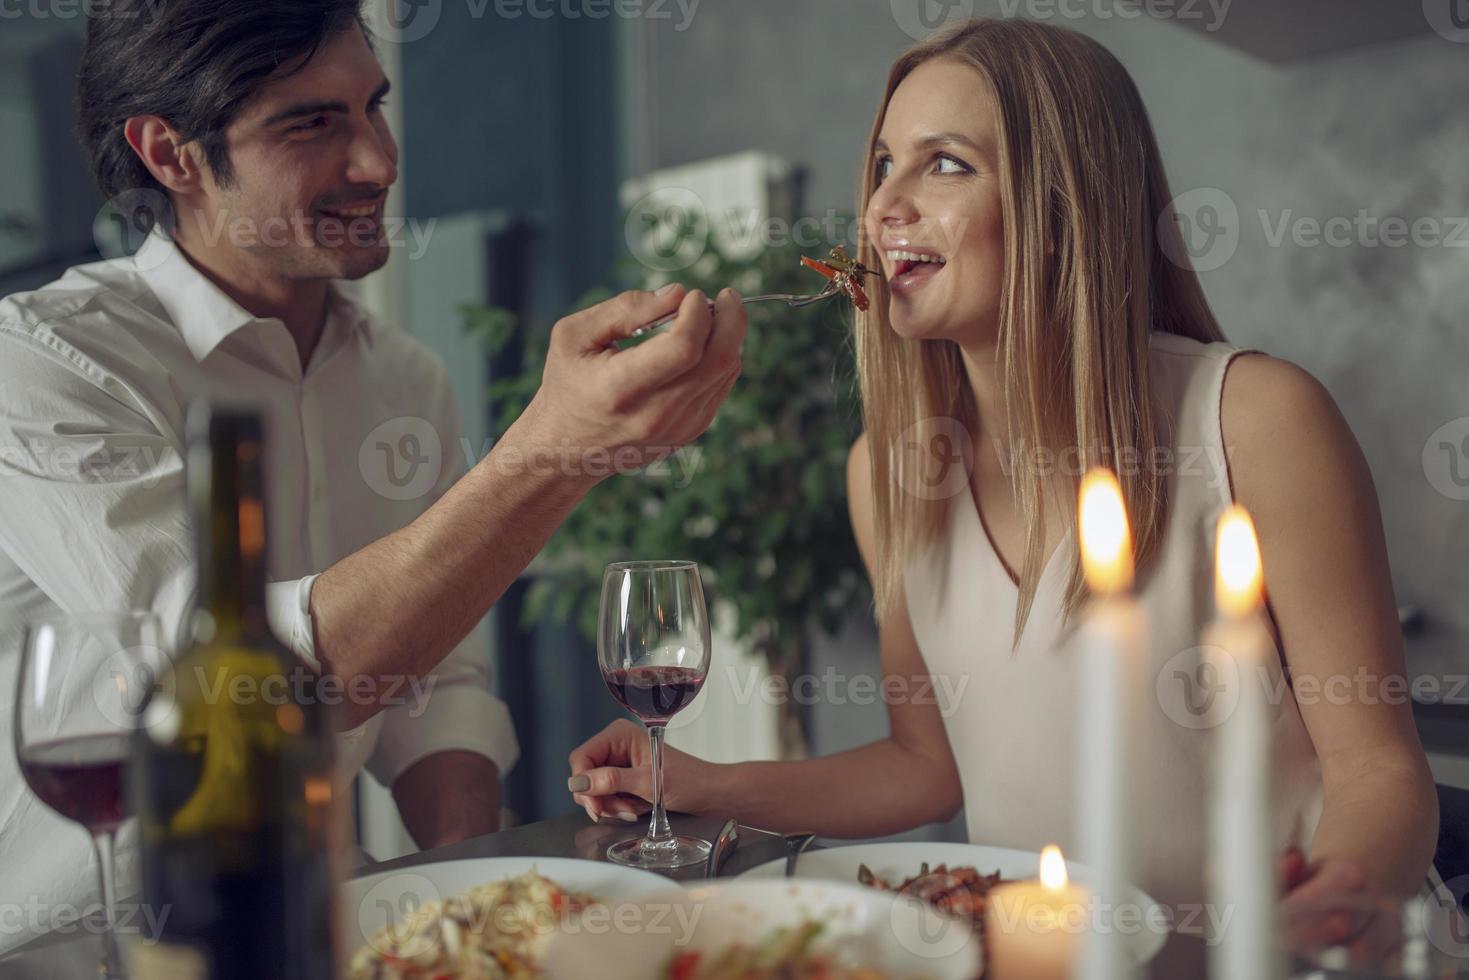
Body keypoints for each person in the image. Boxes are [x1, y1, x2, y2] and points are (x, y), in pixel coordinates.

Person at [568, 16, 1439, 952]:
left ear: (1067, 202)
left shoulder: (1255, 419)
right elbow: (923, 767)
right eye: (880, 165)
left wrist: (1325, 908)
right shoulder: (887, 473)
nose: (883, 206)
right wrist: (701, 782)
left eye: (944, 163)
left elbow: (1376, 773)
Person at [0, 0, 744, 954]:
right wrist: (556, 448)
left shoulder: (402, 378)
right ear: (170, 155)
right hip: (67, 947)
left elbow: (435, 689)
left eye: (371, 108)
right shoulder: (49, 365)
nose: (379, 162)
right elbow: (246, 681)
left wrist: (485, 914)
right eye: (310, 124)